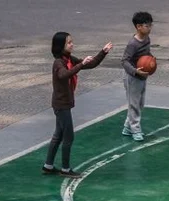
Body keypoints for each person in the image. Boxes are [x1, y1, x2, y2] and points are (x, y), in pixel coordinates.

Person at [42, 32, 112, 177]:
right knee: (68, 136)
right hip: (61, 105)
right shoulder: (59, 63)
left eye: (71, 41)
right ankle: (65, 169)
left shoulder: (69, 59)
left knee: (58, 135)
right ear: (61, 46)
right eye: (69, 42)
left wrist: (103, 52)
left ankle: (48, 165)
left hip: (63, 104)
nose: (72, 44)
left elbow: (90, 64)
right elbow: (63, 75)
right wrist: (81, 64)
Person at [121, 11, 153, 141]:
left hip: (142, 76)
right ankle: (135, 130)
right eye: (147, 25)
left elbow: (146, 53)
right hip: (132, 76)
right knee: (134, 104)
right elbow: (124, 61)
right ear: (138, 26)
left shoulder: (147, 39)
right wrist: (135, 71)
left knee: (140, 103)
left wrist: (151, 60)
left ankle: (127, 127)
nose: (149, 28)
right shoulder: (133, 44)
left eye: (151, 25)